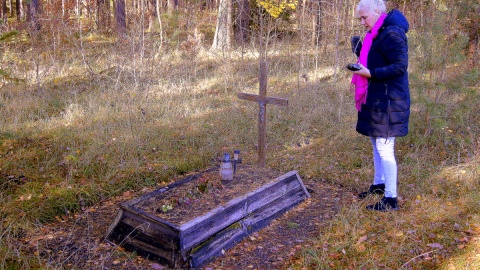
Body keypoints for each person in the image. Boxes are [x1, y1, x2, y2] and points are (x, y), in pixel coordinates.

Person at [349, 0, 410, 211]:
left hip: (389, 100)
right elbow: (378, 59)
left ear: (377, 12)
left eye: (364, 17)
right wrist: (360, 52)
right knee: (376, 143)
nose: (362, 22)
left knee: (385, 148)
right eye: (360, 19)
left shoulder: (391, 33)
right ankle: (379, 185)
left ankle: (391, 199)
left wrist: (370, 74)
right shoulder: (376, 33)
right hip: (377, 97)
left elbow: (400, 67)